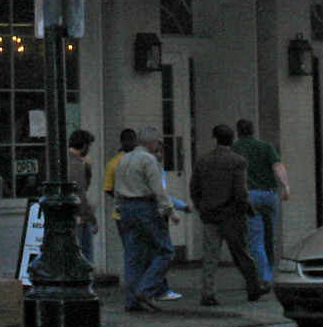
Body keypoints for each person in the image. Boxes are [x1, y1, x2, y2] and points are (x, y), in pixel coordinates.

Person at [190, 123, 266, 306]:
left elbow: (194, 188)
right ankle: (253, 287)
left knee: (210, 256)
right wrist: (242, 209)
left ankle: (208, 293)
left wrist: (201, 207)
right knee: (241, 252)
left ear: (214, 139)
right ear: (231, 140)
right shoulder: (237, 161)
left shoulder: (202, 160)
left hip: (210, 215)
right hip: (231, 215)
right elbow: (240, 190)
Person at [114, 128, 177, 313]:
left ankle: (131, 299)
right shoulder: (149, 160)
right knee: (165, 250)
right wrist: (171, 210)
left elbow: (118, 188)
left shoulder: (122, 159)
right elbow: (159, 189)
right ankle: (146, 289)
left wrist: (118, 206)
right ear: (154, 143)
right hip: (145, 206)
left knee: (133, 255)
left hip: (126, 208)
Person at [232, 117, 288, 286]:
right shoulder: (266, 147)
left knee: (255, 238)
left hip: (250, 197)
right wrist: (285, 186)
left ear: (238, 131)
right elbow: (277, 166)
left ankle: (263, 276)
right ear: (253, 130)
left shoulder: (235, 149)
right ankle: (270, 271)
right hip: (270, 195)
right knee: (270, 237)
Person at [67, 129, 97, 265]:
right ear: (84, 146)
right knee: (85, 257)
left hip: (68, 216)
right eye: (89, 146)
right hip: (78, 217)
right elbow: (81, 192)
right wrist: (92, 219)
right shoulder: (76, 164)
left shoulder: (65, 161)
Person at [103, 128, 137, 241]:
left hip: (140, 211)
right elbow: (107, 187)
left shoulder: (142, 160)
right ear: (121, 142)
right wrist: (122, 197)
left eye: (132, 139)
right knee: (128, 243)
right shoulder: (113, 163)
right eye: (126, 139)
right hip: (121, 212)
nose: (129, 142)